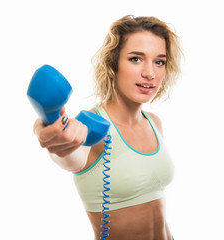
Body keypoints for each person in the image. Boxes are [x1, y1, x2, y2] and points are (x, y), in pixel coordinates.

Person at [33, 15, 182, 240]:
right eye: (135, 59)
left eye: (159, 61)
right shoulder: (90, 126)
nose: (150, 73)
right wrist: (56, 139)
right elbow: (70, 152)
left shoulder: (154, 122)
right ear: (113, 63)